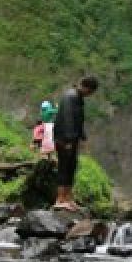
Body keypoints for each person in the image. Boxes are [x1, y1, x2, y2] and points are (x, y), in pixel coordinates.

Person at [53, 77, 99, 211]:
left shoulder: (78, 97)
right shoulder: (70, 97)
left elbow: (78, 119)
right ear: (86, 88)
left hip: (72, 139)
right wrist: (68, 140)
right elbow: (68, 119)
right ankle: (60, 199)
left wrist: (82, 137)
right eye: (90, 92)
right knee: (64, 167)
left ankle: (68, 198)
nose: (89, 95)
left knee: (71, 167)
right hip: (64, 139)